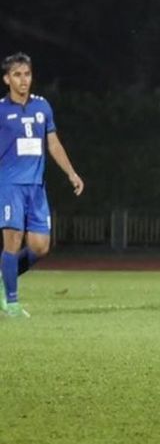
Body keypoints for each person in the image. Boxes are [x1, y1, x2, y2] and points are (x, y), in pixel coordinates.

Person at [0, 52, 84, 317]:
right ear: (6, 79)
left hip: (36, 187)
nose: (24, 80)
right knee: (12, 241)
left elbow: (53, 143)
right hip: (10, 184)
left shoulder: (42, 107)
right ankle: (11, 303)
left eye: (27, 74)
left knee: (40, 247)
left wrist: (71, 173)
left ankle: (6, 275)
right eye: (17, 75)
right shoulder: (1, 110)